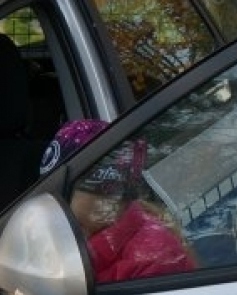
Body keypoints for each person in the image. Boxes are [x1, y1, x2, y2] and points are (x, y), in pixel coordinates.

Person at [39, 118, 193, 283]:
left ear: (110, 193)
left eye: (65, 190)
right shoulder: (66, 237)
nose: (52, 203)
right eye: (48, 190)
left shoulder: (154, 258)